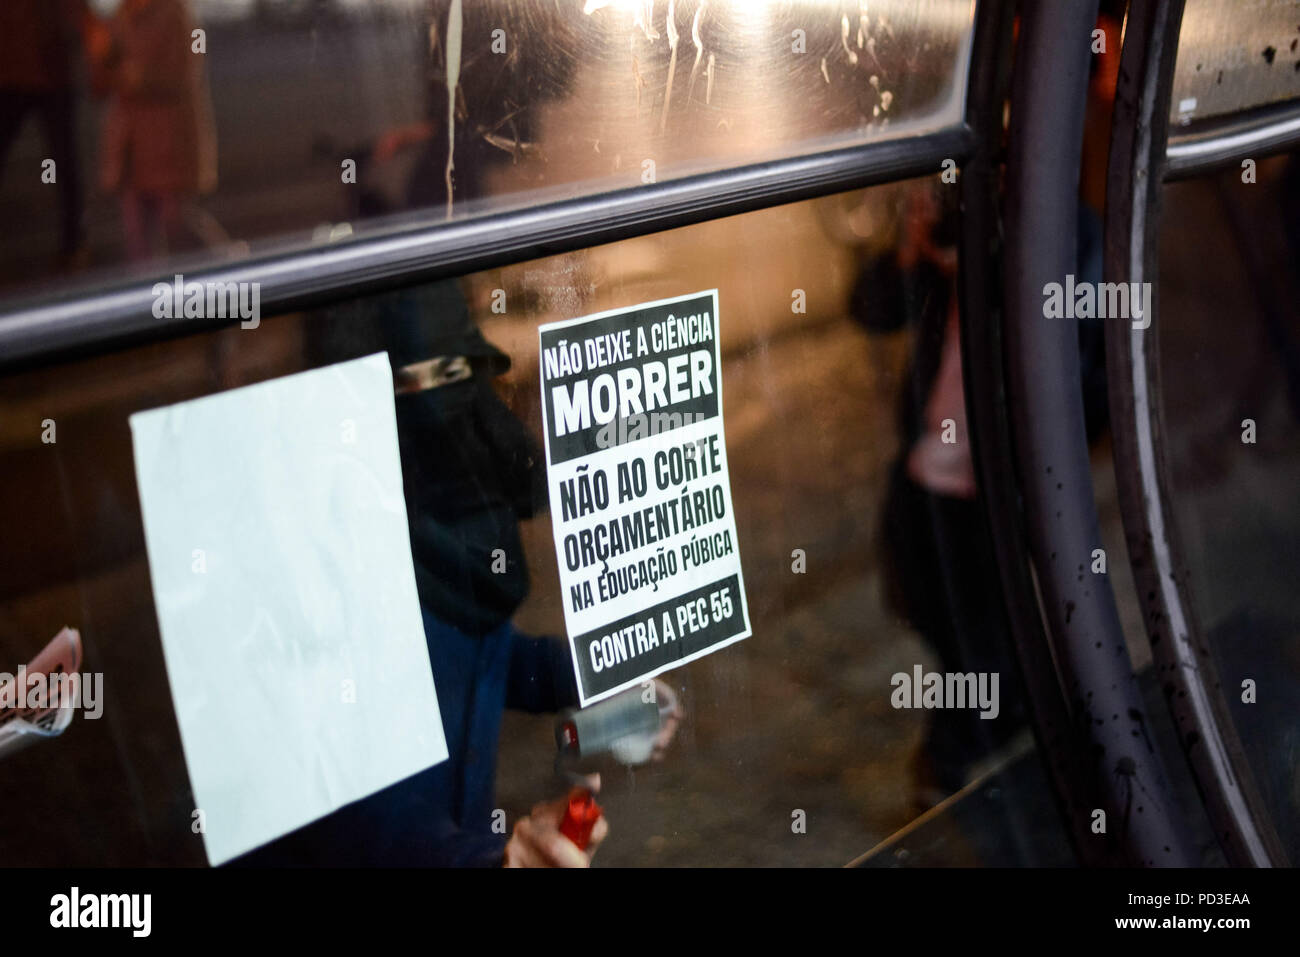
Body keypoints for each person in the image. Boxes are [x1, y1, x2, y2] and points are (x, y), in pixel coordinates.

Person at [88, 0, 217, 261]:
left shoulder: (175, 12)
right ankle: (152, 295)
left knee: (176, 222)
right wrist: (100, 55)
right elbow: (101, 82)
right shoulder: (121, 16)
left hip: (168, 142)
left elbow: (182, 73)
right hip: (131, 147)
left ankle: (230, 272)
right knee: (139, 236)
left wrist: (134, 78)